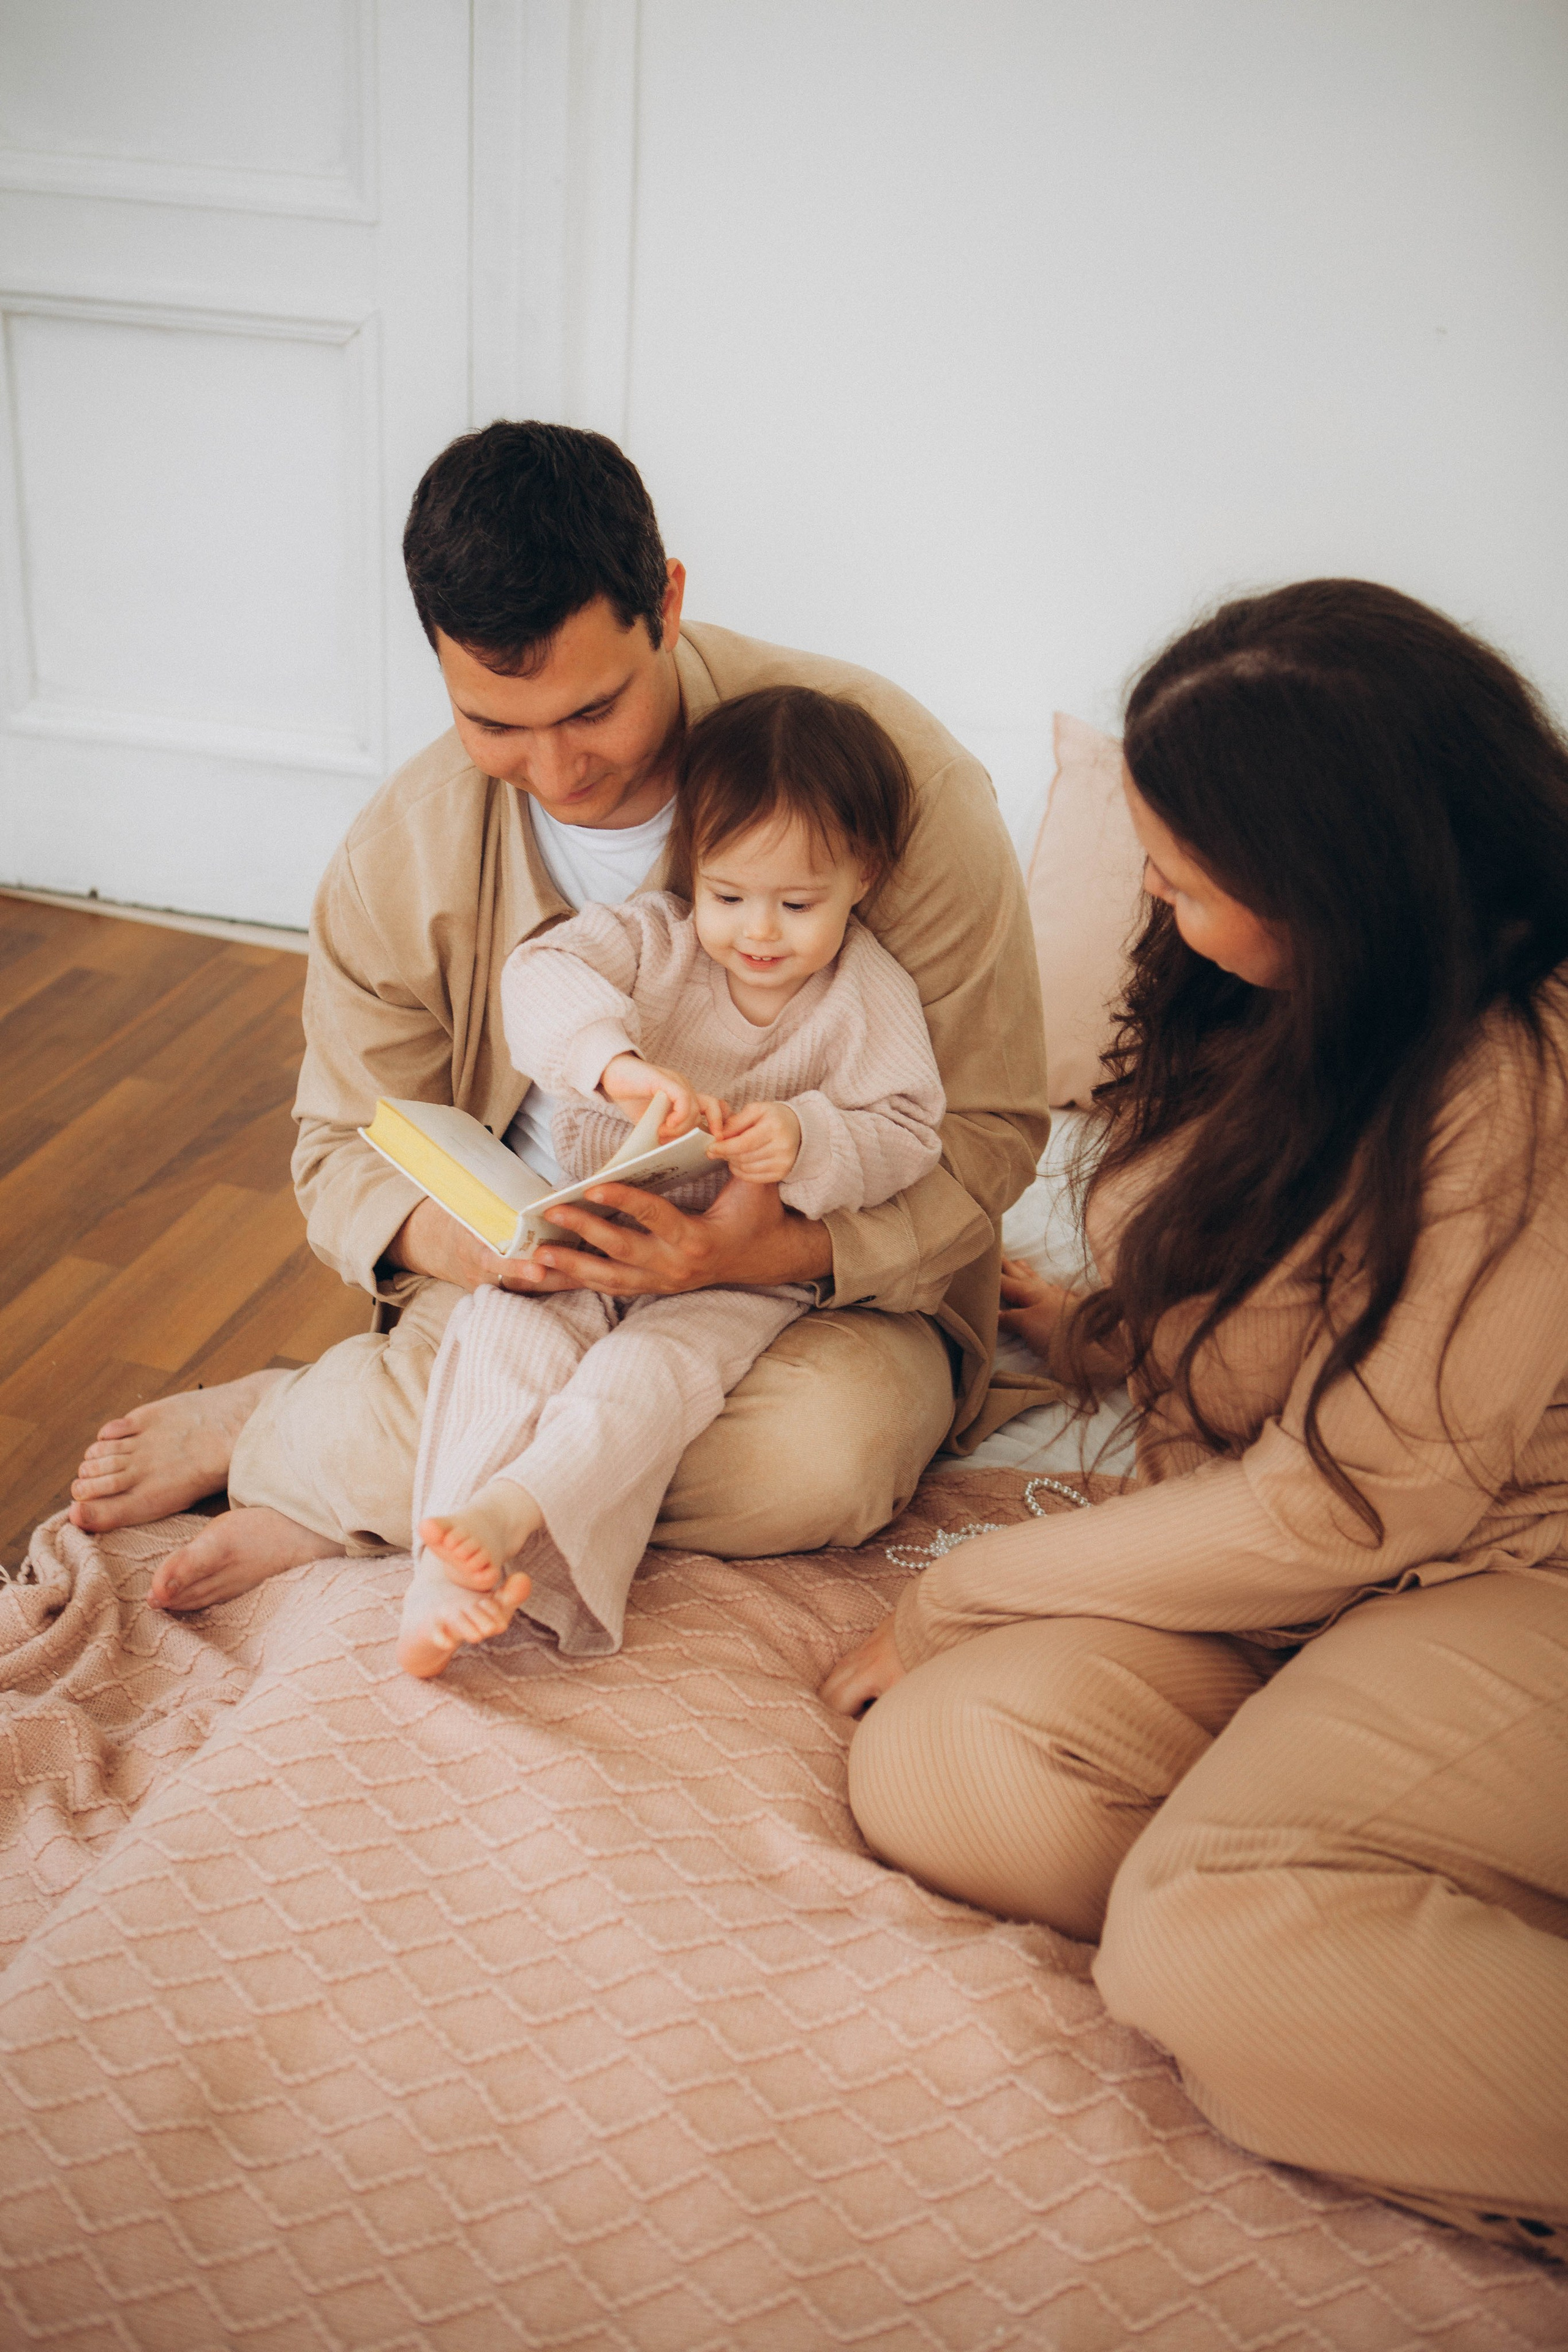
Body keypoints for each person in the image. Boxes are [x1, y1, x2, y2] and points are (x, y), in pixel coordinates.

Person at [822, 579, 1568, 2256]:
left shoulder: (1519, 1074)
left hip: (1495, 1575)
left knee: (1194, 1947)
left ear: (1337, 881)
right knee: (943, 1768)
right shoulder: (1282, 992)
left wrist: (959, 1591)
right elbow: (1302, 1313)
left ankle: (1310, 1921)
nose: (1147, 886)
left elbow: (1350, 1502)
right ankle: (1396, 1907)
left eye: (1180, 867)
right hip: (1314, 1579)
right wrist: (1095, 1331)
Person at [67, 423, 1050, 1605]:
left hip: (805, 1290)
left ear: (667, 604)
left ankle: (352, 1465)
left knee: (818, 1469)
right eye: (495, 725)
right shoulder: (402, 855)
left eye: (593, 711)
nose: (557, 771)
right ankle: (321, 1428)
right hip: (535, 1283)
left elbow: (991, 1130)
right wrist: (487, 1247)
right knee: (561, 1401)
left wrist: (754, 1248)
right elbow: (343, 1147)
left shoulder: (890, 780)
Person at [404, 684, 945, 1675]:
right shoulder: (653, 936)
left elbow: (909, 1128)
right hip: (597, 1227)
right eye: (730, 896)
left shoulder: (868, 994)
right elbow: (540, 978)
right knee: (502, 1338)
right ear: (695, 866)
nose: (759, 933)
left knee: (651, 1378)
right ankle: (442, 1567)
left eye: (797, 903)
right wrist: (616, 1065)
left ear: (862, 876)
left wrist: (808, 1137)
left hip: (743, 1271)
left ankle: (517, 1511)